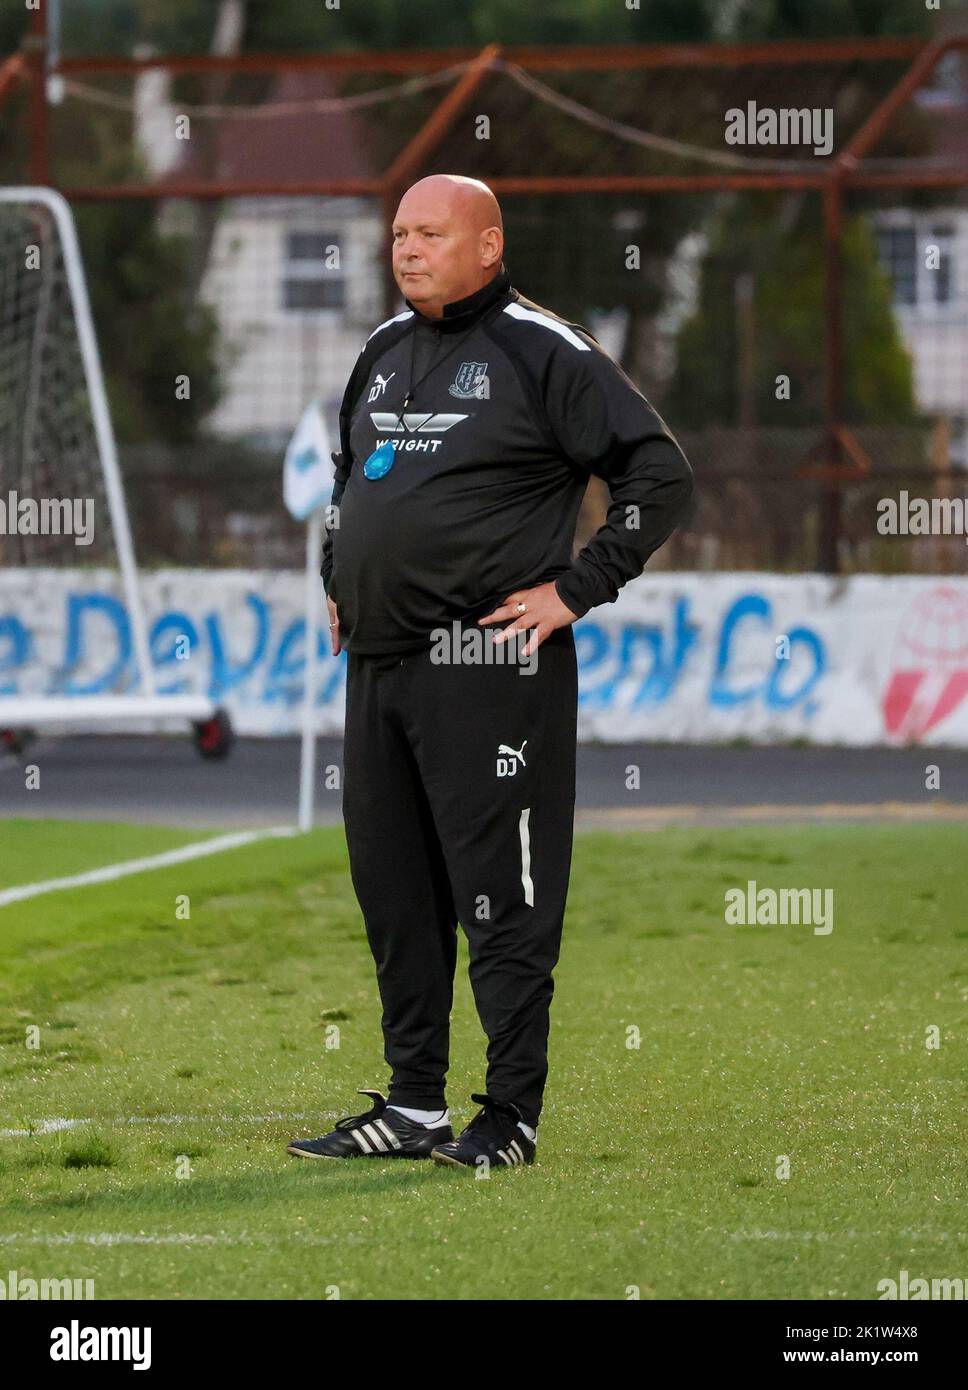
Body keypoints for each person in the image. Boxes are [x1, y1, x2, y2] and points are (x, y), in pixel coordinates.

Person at [287, 173, 693, 1170]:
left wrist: (574, 589)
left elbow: (658, 473)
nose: (407, 248)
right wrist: (338, 572)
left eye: (430, 232)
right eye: (397, 232)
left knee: (498, 899)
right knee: (394, 890)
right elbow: (350, 476)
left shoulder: (541, 351)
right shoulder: (381, 353)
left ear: (487, 245)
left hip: (489, 667)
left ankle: (508, 1114)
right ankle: (414, 1105)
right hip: (377, 669)